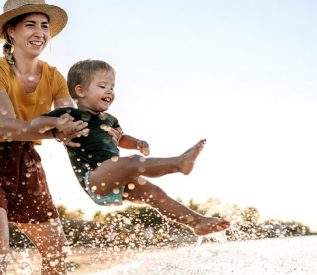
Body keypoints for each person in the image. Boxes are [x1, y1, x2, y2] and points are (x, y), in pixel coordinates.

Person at [0, 1, 112, 275]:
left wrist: (99, 130)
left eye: (44, 26)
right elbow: (7, 126)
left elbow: (70, 119)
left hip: (27, 161)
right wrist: (56, 128)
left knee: (55, 249)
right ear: (11, 31)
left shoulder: (54, 76)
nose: (40, 33)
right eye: (30, 25)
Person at [31, 59, 231, 237]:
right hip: (95, 179)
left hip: (118, 179)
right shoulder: (69, 114)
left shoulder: (109, 119)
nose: (110, 91)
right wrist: (58, 124)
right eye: (103, 86)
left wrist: (136, 143)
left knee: (155, 194)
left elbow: (120, 139)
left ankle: (197, 221)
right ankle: (178, 163)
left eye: (112, 87)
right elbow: (37, 123)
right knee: (132, 162)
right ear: (81, 91)